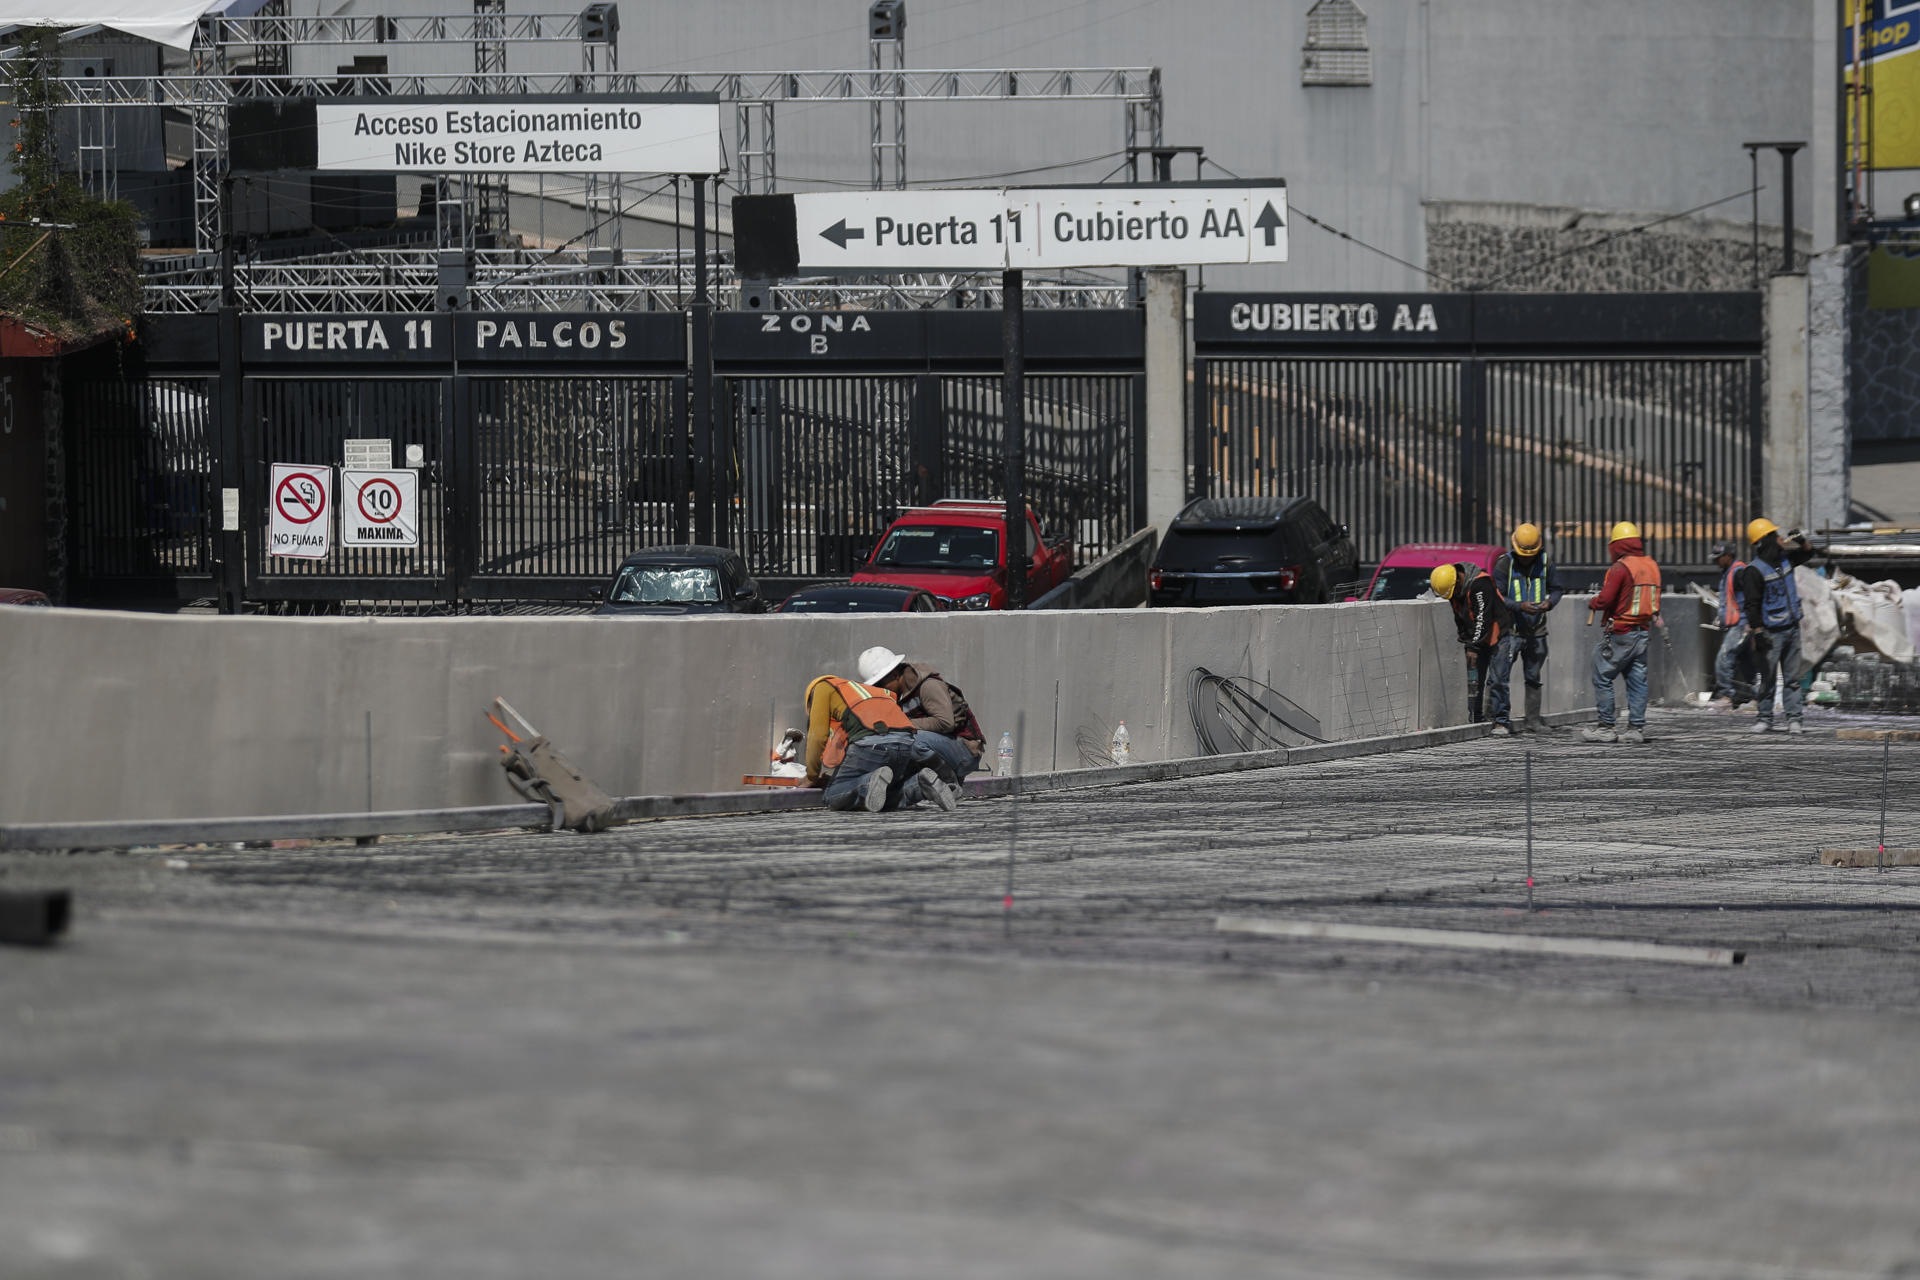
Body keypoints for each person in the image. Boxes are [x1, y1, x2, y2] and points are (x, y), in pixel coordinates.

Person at [803, 674, 959, 812]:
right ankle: (919, 785)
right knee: (881, 797)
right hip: (906, 742)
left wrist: (812, 776)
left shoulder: (822, 687)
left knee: (833, 795)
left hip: (872, 743)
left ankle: (867, 783)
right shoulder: (862, 692)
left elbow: (817, 737)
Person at [1583, 521, 1662, 744]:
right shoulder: (1651, 565)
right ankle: (1635, 729)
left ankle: (1606, 727)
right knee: (1637, 679)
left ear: (1617, 545)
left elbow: (1606, 598)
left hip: (1622, 631)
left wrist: (1594, 602)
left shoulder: (1621, 568)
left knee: (1602, 672)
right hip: (1643, 631)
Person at [856, 645, 986, 781]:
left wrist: (900, 724)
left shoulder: (928, 686)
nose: (880, 690)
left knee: (907, 740)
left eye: (881, 685)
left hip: (964, 751)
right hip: (939, 747)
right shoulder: (898, 697)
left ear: (894, 675)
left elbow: (945, 722)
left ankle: (949, 782)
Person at [1736, 518, 1815, 735]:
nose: (1782, 539)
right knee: (1768, 677)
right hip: (1771, 632)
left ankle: (1794, 719)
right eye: (1776, 536)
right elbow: (1751, 605)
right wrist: (1758, 632)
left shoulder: (1785, 560)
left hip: (1792, 628)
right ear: (1766, 540)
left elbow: (1809, 553)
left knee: (1792, 678)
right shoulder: (1754, 571)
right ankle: (1764, 718)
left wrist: (1802, 541)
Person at [1489, 522, 1566, 734]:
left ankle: (1533, 720)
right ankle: (1500, 721)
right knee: (1499, 677)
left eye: (1530, 553)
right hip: (1511, 631)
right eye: (1523, 553)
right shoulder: (1505, 564)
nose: (1526, 557)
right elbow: (1498, 596)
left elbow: (1557, 589)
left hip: (1537, 631)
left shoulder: (1545, 562)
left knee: (1533, 677)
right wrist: (1518, 606)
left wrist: (1549, 603)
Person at [1429, 561, 1513, 731]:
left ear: (1459, 581)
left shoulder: (1481, 584)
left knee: (1498, 681)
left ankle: (1501, 721)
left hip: (1498, 636)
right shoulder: (1454, 591)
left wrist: (1474, 648)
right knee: (1475, 681)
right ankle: (1476, 719)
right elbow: (1460, 619)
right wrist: (1467, 643)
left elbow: (1483, 618)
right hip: (1476, 638)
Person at [1707, 540, 1749, 707]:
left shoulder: (1738, 573)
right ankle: (1754, 695)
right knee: (1746, 662)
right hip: (1735, 624)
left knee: (1724, 658)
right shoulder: (1728, 572)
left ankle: (1726, 696)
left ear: (1728, 556)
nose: (1716, 561)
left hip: (1740, 624)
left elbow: (1747, 600)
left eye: (1719, 557)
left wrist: (1747, 623)